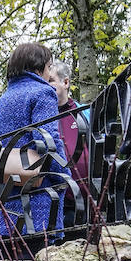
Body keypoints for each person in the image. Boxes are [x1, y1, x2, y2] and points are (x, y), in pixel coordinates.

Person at [0, 42, 70, 259]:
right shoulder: (42, 93)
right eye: (49, 67)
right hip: (37, 204)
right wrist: (65, 177)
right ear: (38, 67)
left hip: (5, 207)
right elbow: (48, 142)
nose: (49, 73)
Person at [49, 59, 95, 241]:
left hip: (88, 200)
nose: (46, 86)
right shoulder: (43, 116)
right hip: (59, 201)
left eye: (51, 80)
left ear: (65, 82)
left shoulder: (85, 112)